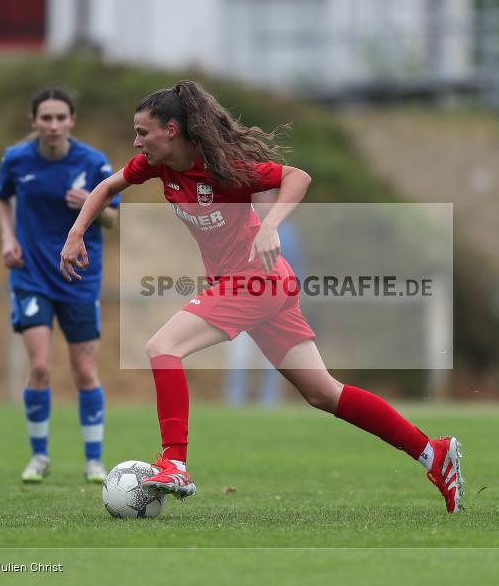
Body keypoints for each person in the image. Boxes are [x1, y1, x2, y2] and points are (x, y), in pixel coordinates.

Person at [59, 80, 463, 513]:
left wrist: (270, 224)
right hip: (261, 285)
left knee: (162, 347)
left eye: (143, 132)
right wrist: (76, 233)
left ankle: (174, 461)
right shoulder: (155, 165)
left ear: (172, 130)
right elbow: (105, 188)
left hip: (255, 281)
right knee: (324, 393)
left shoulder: (223, 167)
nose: (136, 141)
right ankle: (433, 454)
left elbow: (297, 177)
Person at [0, 87, 121, 484]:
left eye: (60, 118)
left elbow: (114, 219)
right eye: (45, 118)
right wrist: (7, 238)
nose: (52, 125)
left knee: (85, 370)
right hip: (31, 274)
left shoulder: (93, 162)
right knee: (39, 366)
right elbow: (3, 198)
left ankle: (94, 461)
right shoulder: (16, 159)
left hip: (79, 277)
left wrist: (92, 204)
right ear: (33, 121)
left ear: (72, 121)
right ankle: (39, 457)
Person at [223, 219, 304, 407]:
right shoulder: (241, 225)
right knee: (239, 356)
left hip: (274, 306)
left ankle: (269, 400)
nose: (264, 200)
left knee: (273, 359)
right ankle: (234, 400)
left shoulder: (287, 234)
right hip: (242, 304)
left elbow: (295, 270)